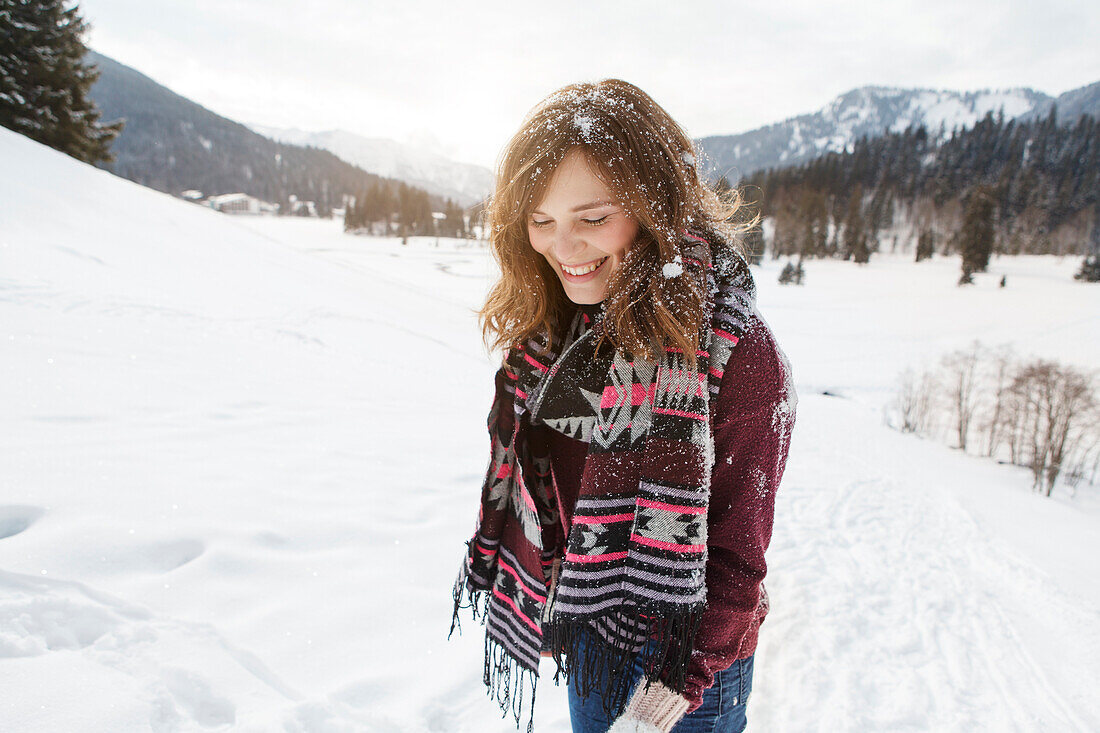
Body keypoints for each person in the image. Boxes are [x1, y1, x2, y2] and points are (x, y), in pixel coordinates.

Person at [449, 79, 797, 733]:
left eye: (593, 217)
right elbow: (551, 479)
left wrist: (673, 690)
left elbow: (737, 556)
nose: (563, 246)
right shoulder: (561, 332)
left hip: (689, 664)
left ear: (656, 204)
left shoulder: (738, 355)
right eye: (542, 220)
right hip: (593, 641)